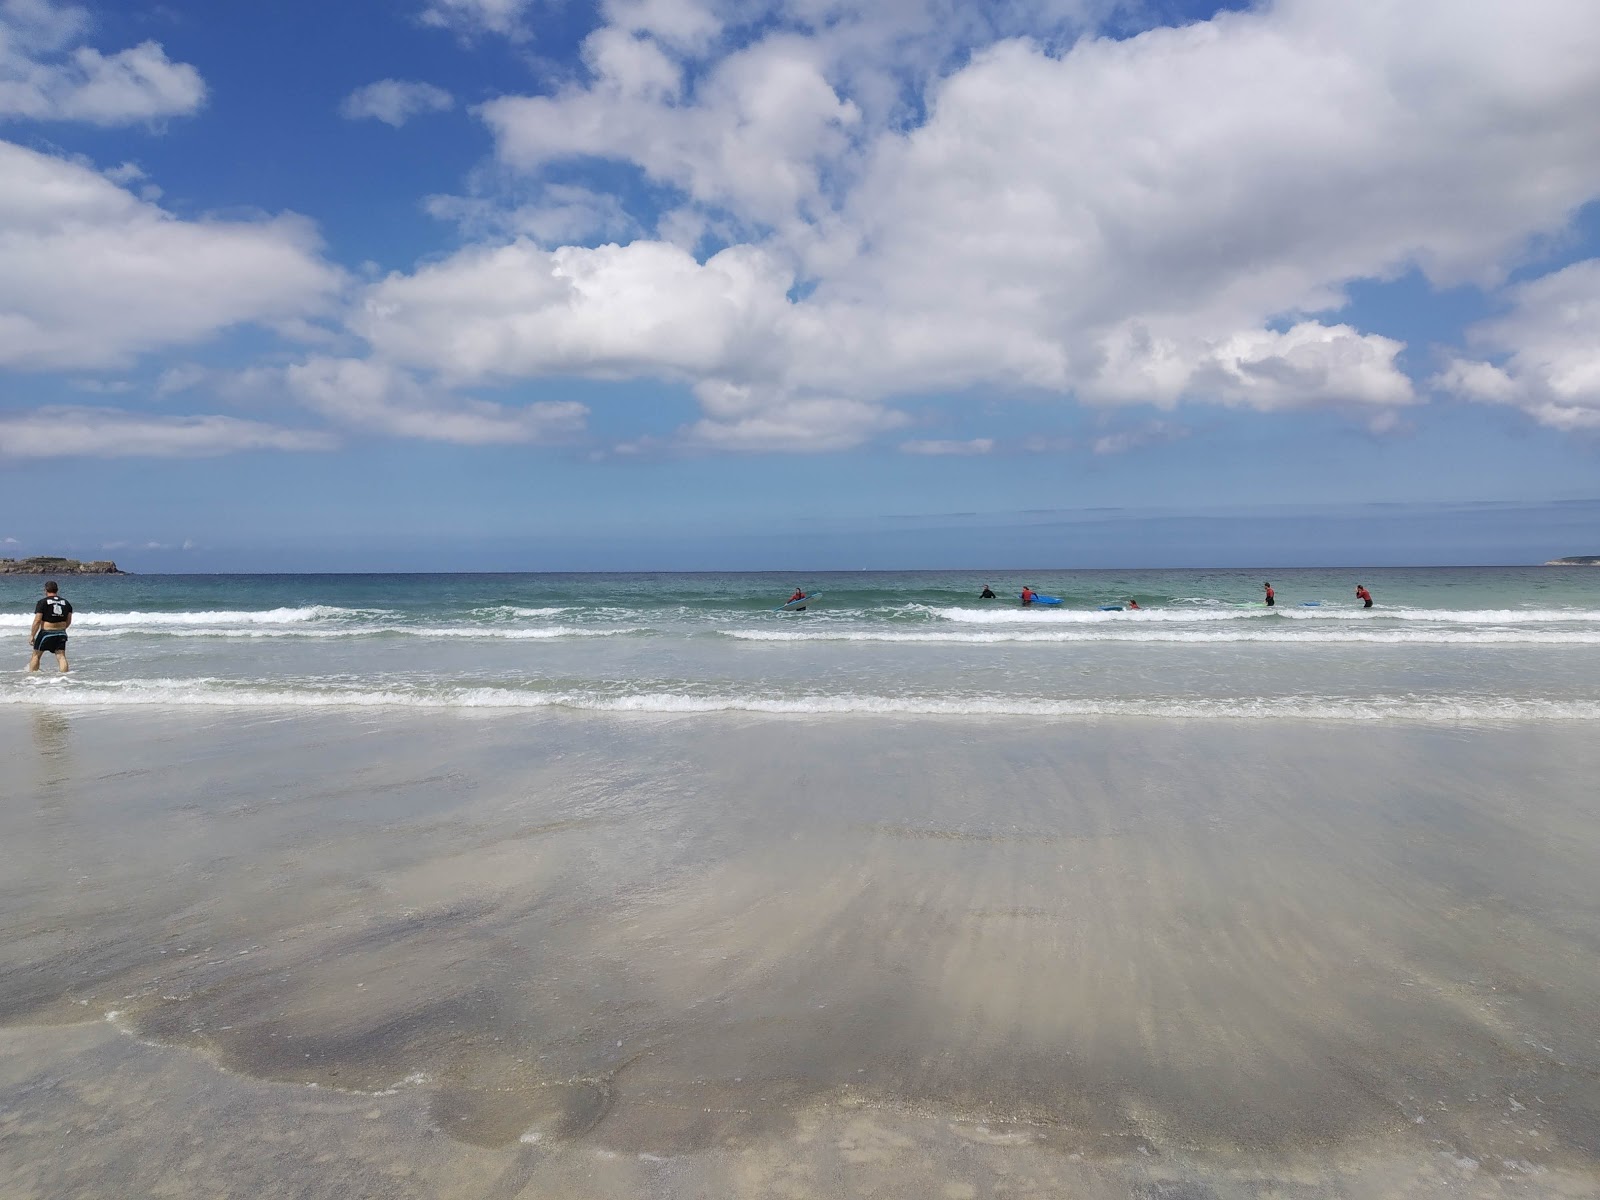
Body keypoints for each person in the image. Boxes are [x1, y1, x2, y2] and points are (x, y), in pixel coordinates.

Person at [29, 580, 72, 673]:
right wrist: (61, 629)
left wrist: (32, 635)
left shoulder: (42, 602)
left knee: (36, 655)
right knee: (61, 656)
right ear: (57, 590)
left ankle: (32, 677)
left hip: (46, 632)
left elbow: (37, 620)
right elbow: (68, 621)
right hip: (61, 632)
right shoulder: (66, 603)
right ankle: (65, 677)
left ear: (45, 590)